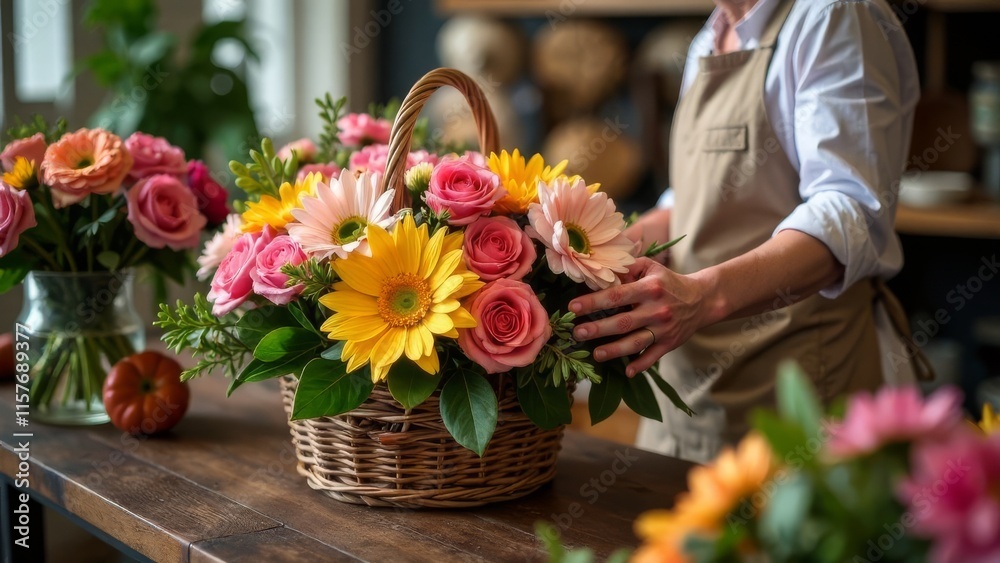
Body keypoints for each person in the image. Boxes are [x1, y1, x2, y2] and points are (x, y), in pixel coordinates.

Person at [568, 0, 929, 463]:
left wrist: (702, 296)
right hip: (687, 397)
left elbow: (849, 211)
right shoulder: (711, 35)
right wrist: (630, 243)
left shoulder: (834, 16)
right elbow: (697, 196)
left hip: (798, 391)